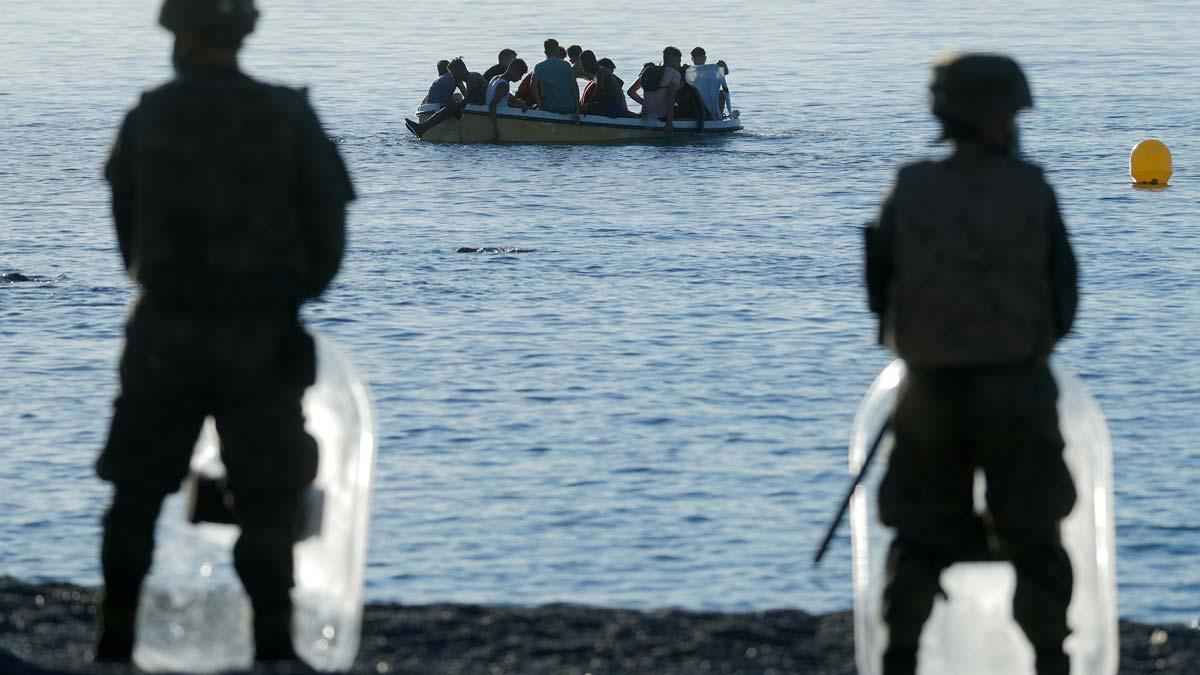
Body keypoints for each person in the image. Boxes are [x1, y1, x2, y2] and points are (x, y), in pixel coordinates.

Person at [95, 0, 354, 665]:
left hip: (164, 333)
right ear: (241, 38)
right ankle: (274, 644)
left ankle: (114, 643)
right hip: (261, 334)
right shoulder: (288, 117)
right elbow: (327, 231)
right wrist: (288, 295)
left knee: (137, 491)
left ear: (179, 40)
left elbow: (127, 232)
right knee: (268, 498)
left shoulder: (148, 115)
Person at [864, 53, 1078, 675]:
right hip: (1016, 386)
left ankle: (900, 654)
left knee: (920, 530)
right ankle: (1050, 656)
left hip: (927, 389)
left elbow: (881, 293)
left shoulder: (908, 186)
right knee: (1035, 531)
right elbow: (1064, 296)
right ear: (995, 119)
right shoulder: (1030, 188)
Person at [405, 58, 486, 137]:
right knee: (448, 109)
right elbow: (470, 98)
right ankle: (422, 127)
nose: (453, 77)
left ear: (459, 71)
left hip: (480, 106)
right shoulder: (471, 78)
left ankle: (422, 128)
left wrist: (456, 106)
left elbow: (471, 98)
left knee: (447, 109)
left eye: (453, 74)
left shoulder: (473, 77)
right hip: (476, 106)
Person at [627, 47, 683, 135]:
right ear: (673, 59)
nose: (679, 64)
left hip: (646, 115)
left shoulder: (648, 71)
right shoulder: (675, 74)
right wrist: (669, 121)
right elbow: (671, 96)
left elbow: (631, 92)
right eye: (679, 60)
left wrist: (645, 103)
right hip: (662, 117)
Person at [532, 38, 580, 121]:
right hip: (568, 107)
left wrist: (539, 104)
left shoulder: (539, 66)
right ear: (557, 51)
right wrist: (577, 110)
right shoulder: (567, 65)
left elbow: (533, 86)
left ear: (545, 52)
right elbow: (575, 87)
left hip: (549, 107)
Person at [579, 51, 634, 118]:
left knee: (587, 108)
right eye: (582, 66)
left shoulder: (600, 72)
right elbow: (620, 82)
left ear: (591, 62)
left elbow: (599, 89)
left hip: (614, 107)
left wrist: (589, 104)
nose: (583, 68)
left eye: (584, 65)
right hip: (615, 105)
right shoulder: (602, 71)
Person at [487, 58, 531, 142]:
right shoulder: (504, 84)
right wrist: (495, 129)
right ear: (513, 70)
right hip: (498, 121)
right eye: (520, 74)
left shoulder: (495, 78)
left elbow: (504, 97)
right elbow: (492, 105)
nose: (520, 78)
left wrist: (519, 103)